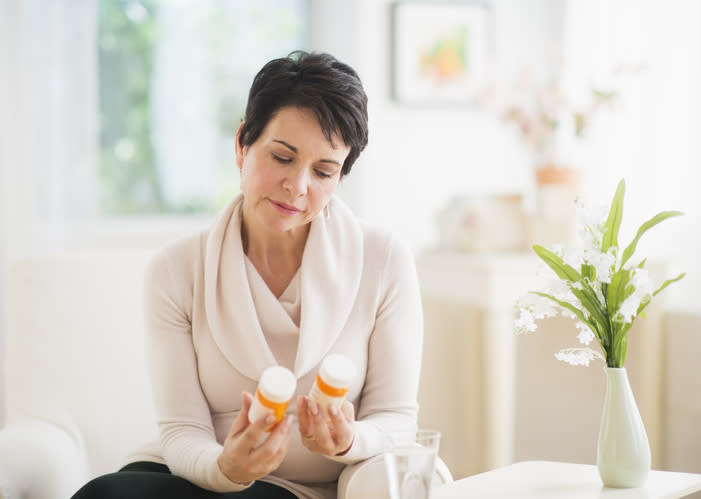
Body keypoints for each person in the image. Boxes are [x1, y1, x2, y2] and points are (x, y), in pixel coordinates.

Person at [71, 50, 423, 499]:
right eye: (281, 157)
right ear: (242, 143)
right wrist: (227, 467)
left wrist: (350, 440)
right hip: (195, 473)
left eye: (323, 171)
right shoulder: (176, 270)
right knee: (105, 494)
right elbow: (181, 431)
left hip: (303, 488)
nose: (297, 187)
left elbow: (397, 419)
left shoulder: (383, 259)